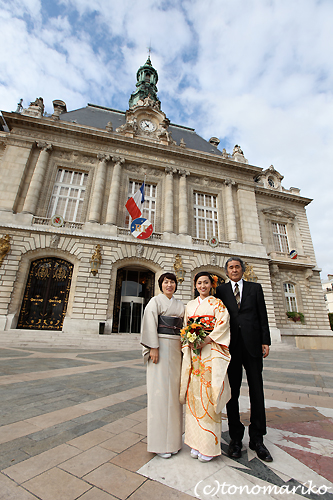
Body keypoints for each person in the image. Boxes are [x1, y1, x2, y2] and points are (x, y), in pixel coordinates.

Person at [215, 257, 273, 462]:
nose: (234, 270)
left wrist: (265, 340)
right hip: (231, 347)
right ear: (226, 271)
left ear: (242, 269)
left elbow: (262, 315)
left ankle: (257, 439)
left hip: (253, 344)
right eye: (230, 267)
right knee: (232, 394)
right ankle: (236, 438)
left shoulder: (255, 288)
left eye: (237, 267)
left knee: (257, 391)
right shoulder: (220, 291)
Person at [180, 272, 231, 462]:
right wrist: (190, 340)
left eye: (206, 283)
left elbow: (223, 325)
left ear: (212, 285)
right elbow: (185, 327)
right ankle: (195, 442)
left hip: (209, 351)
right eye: (199, 283)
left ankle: (209, 445)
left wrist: (207, 339)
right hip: (194, 353)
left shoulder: (217, 304)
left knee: (208, 396)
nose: (202, 286)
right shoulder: (190, 305)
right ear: (195, 285)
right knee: (194, 396)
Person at [140, 272, 184, 459]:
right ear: (161, 284)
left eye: (172, 282)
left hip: (175, 348)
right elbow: (150, 324)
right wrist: (153, 347)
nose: (169, 285)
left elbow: (185, 326)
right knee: (159, 395)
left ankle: (173, 442)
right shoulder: (155, 302)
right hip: (159, 346)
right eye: (166, 282)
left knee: (173, 396)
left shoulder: (180, 305)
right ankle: (159, 444)